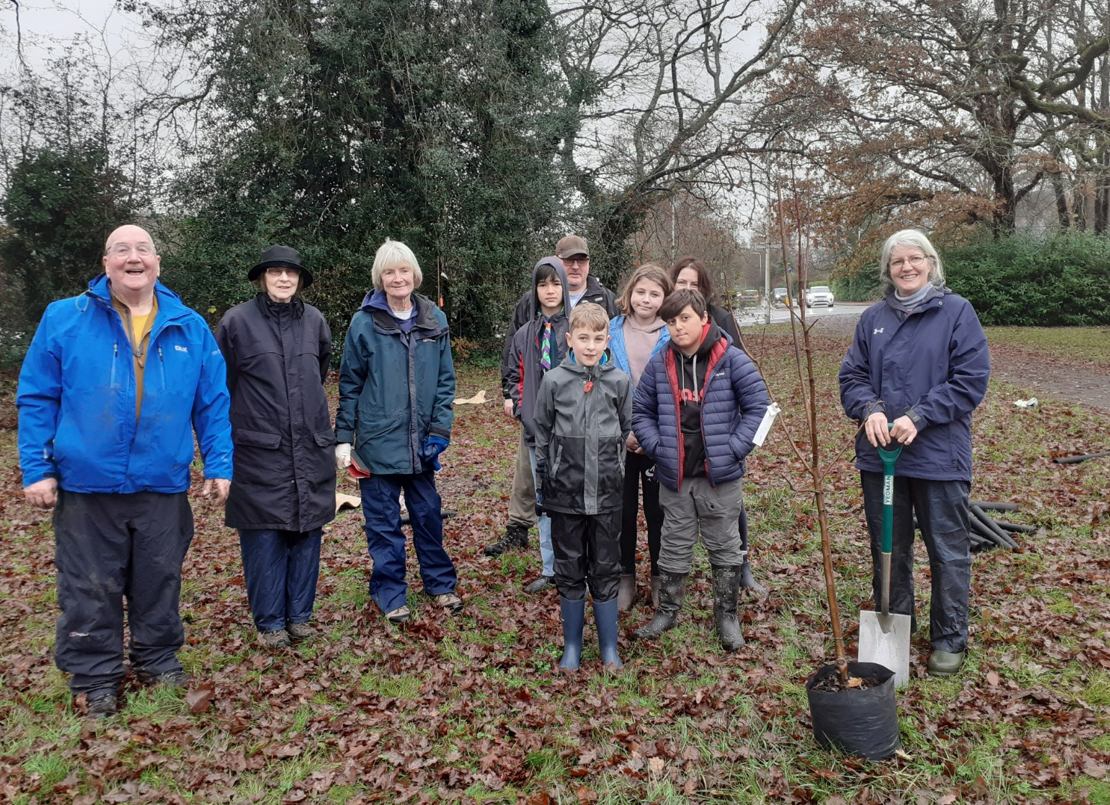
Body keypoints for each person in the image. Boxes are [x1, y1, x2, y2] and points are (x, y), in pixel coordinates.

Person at [16, 224, 233, 719]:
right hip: (86, 483)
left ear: (157, 262)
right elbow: (36, 397)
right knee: (90, 583)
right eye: (121, 250)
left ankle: (157, 658)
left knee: (159, 578)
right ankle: (95, 677)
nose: (133, 258)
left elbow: (214, 403)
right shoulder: (64, 318)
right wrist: (37, 467)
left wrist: (219, 462)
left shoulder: (190, 326)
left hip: (162, 481)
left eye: (142, 250)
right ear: (106, 262)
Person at [839, 229, 989, 678]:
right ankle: (897, 626)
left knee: (948, 549)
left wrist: (920, 416)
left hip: (939, 456)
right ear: (887, 270)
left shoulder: (956, 312)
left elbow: (970, 379)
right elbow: (852, 376)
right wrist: (871, 409)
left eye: (914, 259)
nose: (906, 267)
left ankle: (949, 638)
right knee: (889, 546)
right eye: (897, 261)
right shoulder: (872, 319)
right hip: (882, 455)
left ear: (930, 262)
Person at [632, 289, 769, 652]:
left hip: (718, 477)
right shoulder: (661, 362)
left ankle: (726, 616)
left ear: (703, 318)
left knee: (725, 545)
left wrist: (734, 449)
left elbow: (760, 410)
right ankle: (668, 611)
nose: (678, 327)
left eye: (685, 319)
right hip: (675, 476)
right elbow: (640, 412)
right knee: (673, 545)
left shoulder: (732, 360)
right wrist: (658, 449)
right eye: (672, 322)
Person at [334, 239, 463, 625]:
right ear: (380, 278)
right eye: (389, 272)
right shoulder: (363, 323)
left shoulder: (433, 320)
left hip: (421, 444)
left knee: (427, 515)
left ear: (414, 274)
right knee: (384, 524)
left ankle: (440, 584)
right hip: (376, 444)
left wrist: (440, 429)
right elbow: (350, 384)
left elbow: (445, 381)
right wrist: (343, 438)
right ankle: (389, 592)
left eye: (403, 270)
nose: (397, 278)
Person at [216, 245, 335, 649]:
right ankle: (269, 622)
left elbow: (317, 371)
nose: (284, 279)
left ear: (300, 280)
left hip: (310, 442)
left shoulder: (315, 321)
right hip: (258, 448)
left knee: (306, 530)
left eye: (291, 273)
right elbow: (222, 383)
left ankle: (299, 616)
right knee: (264, 534)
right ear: (262, 278)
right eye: (275, 272)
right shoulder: (236, 322)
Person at [486, 235, 619, 556]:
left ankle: (578, 542)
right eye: (568, 260)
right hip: (533, 406)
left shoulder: (603, 298)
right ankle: (520, 528)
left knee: (572, 473)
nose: (575, 266)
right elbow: (513, 351)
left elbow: (611, 352)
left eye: (581, 261)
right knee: (529, 471)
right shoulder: (529, 303)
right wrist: (513, 396)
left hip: (578, 409)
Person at [533, 302, 632, 670]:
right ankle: (571, 646)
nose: (590, 345)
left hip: (607, 493)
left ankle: (609, 648)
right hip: (565, 493)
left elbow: (626, 428)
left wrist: (616, 465)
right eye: (583, 338)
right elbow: (541, 431)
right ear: (570, 339)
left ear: (607, 340)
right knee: (569, 565)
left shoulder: (618, 381)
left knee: (606, 566)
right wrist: (549, 475)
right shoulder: (554, 380)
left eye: (597, 338)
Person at [670, 256, 764, 593]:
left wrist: (735, 443)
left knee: (729, 507)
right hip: (679, 435)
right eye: (682, 282)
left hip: (720, 432)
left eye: (694, 283)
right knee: (676, 514)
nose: (687, 288)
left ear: (704, 289)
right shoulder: (669, 322)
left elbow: (742, 379)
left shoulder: (722, 319)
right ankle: (673, 579)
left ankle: (742, 565)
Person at [505, 258, 573, 593]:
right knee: (544, 500)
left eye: (556, 284)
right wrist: (522, 407)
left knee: (571, 500)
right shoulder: (524, 334)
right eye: (543, 285)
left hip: (572, 432)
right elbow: (513, 375)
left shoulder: (575, 329)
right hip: (536, 432)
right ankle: (550, 569)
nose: (550, 291)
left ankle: (576, 566)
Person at [607, 263, 673, 610]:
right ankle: (624, 577)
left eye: (655, 294)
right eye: (641, 292)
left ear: (665, 299)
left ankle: (661, 577)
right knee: (621, 511)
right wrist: (626, 432)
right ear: (629, 293)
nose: (646, 300)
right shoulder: (612, 330)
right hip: (618, 438)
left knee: (658, 511)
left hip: (659, 439)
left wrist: (648, 434)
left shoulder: (672, 334)